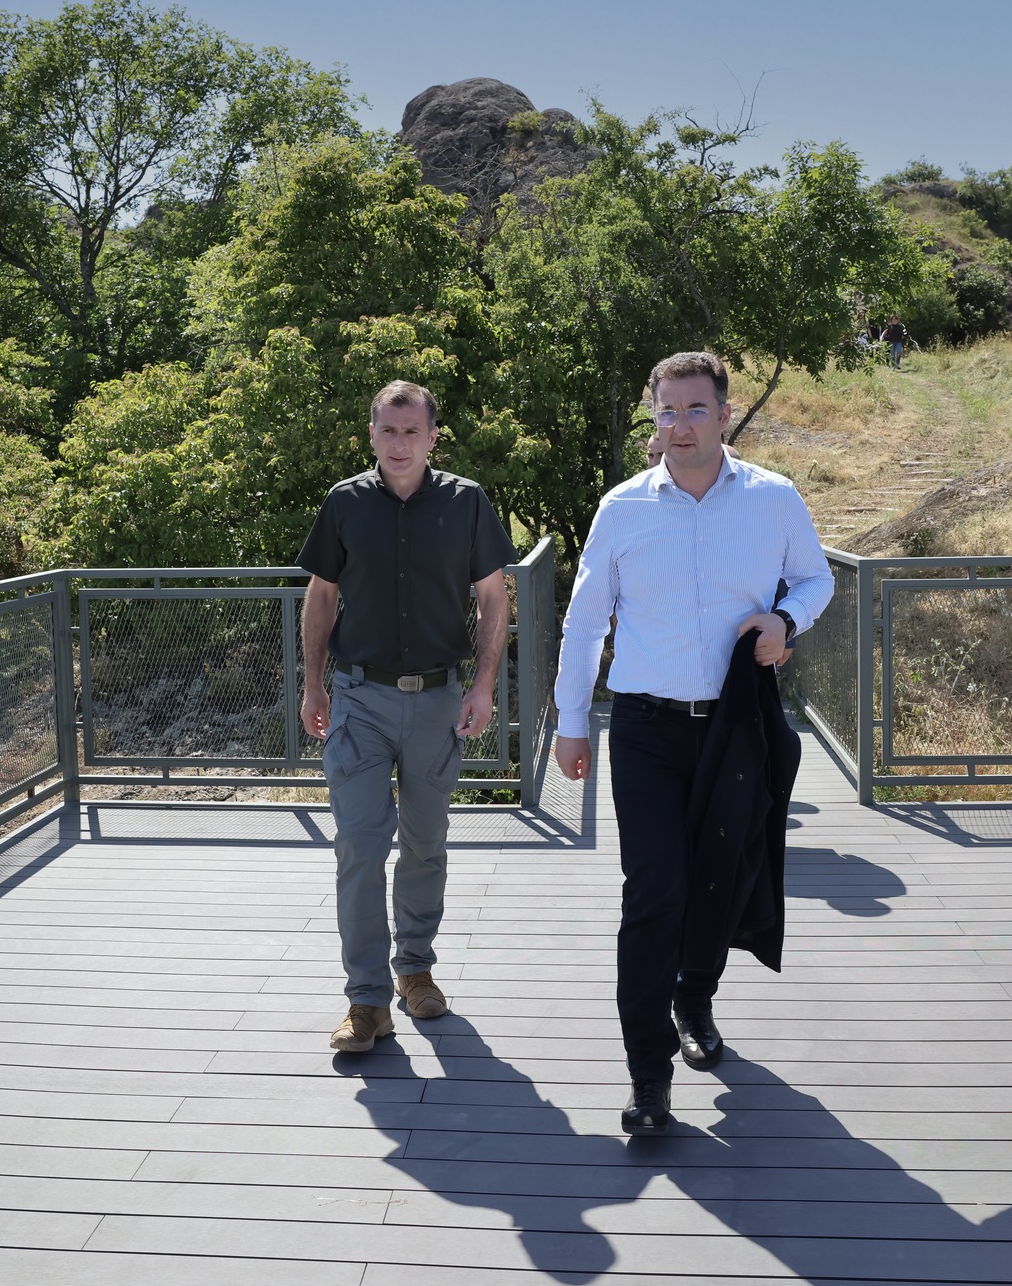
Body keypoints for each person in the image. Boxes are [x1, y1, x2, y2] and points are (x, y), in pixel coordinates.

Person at [551, 351, 832, 1134]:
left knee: (721, 880)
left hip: (736, 725)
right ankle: (649, 1076)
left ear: (724, 414)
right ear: (655, 418)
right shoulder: (621, 509)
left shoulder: (773, 498)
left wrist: (785, 620)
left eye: (695, 409)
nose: (680, 426)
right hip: (644, 728)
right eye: (667, 412)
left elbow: (817, 579)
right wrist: (571, 721)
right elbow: (585, 620)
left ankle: (694, 997)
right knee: (654, 893)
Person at [297, 380, 515, 1053]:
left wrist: (484, 686)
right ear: (372, 435)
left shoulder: (466, 502)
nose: (399, 443)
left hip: (439, 700)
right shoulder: (344, 502)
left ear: (432, 437)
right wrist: (313, 684)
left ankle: (414, 969)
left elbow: (494, 598)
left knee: (425, 842)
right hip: (359, 699)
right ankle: (366, 1001)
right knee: (360, 845)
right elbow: (321, 596)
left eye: (411, 431)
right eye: (388, 431)